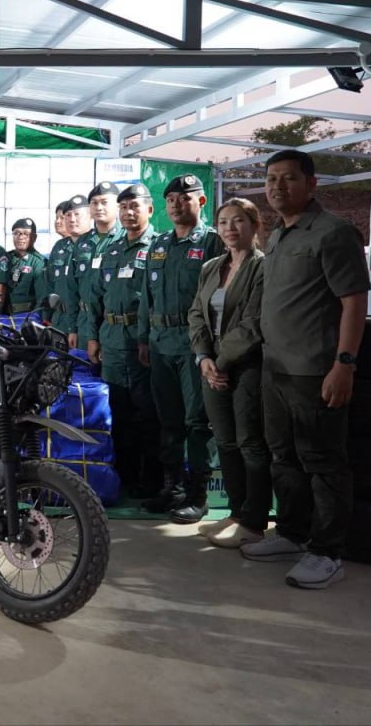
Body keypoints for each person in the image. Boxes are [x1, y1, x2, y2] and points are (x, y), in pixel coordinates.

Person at [240, 149, 368, 590]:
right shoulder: (278, 235)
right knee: (284, 457)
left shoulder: (333, 233)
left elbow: (354, 302)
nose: (277, 186)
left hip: (314, 371)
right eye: (271, 179)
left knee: (324, 462)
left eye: (289, 178)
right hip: (275, 369)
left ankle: (328, 552)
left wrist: (344, 364)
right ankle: (292, 535)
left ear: (311, 184)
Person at [137, 174, 222, 521]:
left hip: (194, 345)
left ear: (201, 202)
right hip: (160, 344)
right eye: (171, 199)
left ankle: (197, 495)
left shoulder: (213, 242)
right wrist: (143, 338)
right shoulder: (159, 244)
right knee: (168, 420)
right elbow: (147, 296)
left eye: (184, 198)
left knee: (197, 422)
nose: (176, 205)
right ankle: (171, 489)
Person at [187, 197, 268, 548]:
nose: (229, 228)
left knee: (250, 442)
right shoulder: (212, 267)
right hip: (212, 365)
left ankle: (254, 521)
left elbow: (254, 322)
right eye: (223, 222)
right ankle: (236, 513)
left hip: (247, 364)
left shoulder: (263, 267)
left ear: (254, 225)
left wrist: (219, 363)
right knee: (225, 441)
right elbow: (196, 314)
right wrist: (203, 357)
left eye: (238, 221)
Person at [88, 183, 159, 499]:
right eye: (124, 207)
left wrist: (146, 339)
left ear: (149, 210)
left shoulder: (158, 247)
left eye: (135, 206)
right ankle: (125, 478)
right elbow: (96, 298)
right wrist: (94, 337)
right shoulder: (112, 250)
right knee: (117, 413)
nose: (129, 212)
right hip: (112, 341)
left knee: (147, 413)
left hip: (142, 342)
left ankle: (151, 481)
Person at [74, 181, 124, 352]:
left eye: (104, 202)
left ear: (117, 206)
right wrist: (72, 328)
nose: (99, 207)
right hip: (84, 321)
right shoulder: (83, 241)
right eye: (94, 203)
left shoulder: (126, 239)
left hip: (113, 322)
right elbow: (74, 288)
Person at [47, 196, 87, 331]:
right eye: (68, 215)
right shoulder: (59, 246)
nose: (58, 221)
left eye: (62, 217)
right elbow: (50, 283)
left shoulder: (93, 245)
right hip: (60, 319)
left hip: (83, 318)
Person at [2, 218, 47, 314]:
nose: (20, 237)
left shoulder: (39, 263)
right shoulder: (5, 258)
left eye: (26, 234)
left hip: (26, 316)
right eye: (16, 233)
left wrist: (34, 318)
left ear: (34, 237)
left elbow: (42, 298)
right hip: (3, 315)